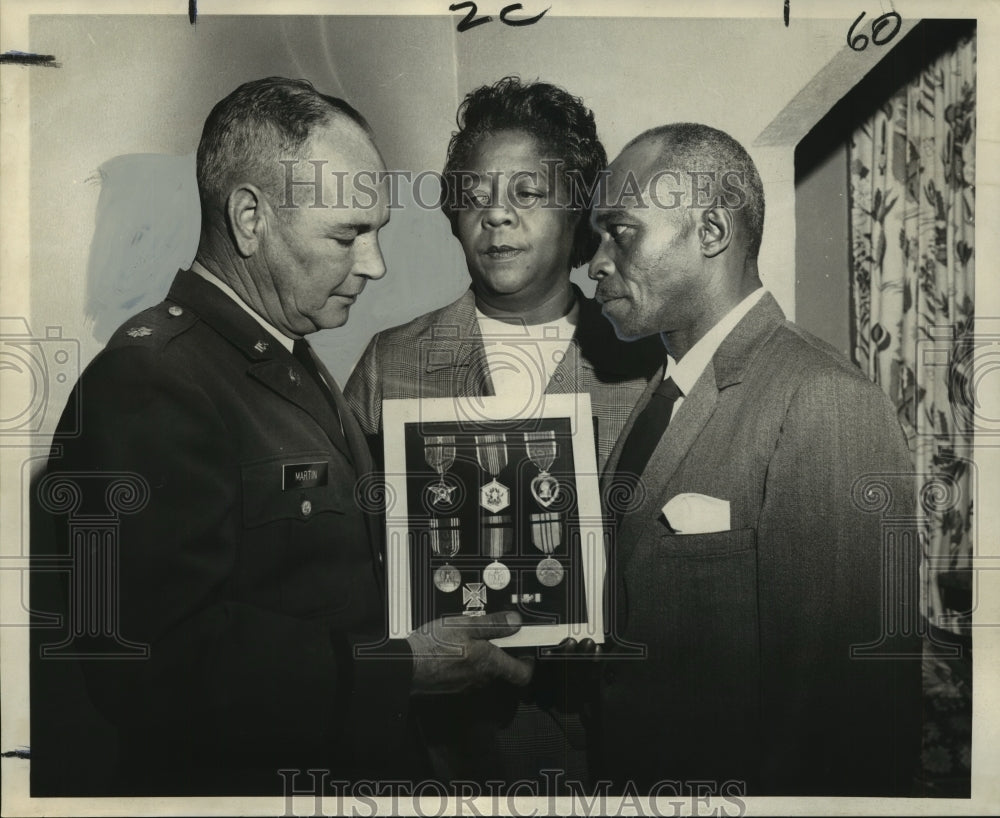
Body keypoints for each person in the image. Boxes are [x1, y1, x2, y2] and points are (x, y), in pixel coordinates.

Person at [32, 77, 530, 796]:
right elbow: (141, 664)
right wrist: (404, 668)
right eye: (348, 234)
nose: (375, 264)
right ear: (248, 218)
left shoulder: (284, 358)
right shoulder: (149, 380)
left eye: (378, 231)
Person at [588, 123, 922, 795]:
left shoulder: (823, 398)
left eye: (619, 233)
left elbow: (850, 711)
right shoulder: (657, 395)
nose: (594, 262)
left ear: (712, 232)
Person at [344, 77, 661, 785]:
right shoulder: (391, 363)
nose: (496, 217)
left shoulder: (646, 367)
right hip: (443, 753)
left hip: (613, 747)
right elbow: (347, 554)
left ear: (578, 214)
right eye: (475, 195)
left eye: (527, 192)